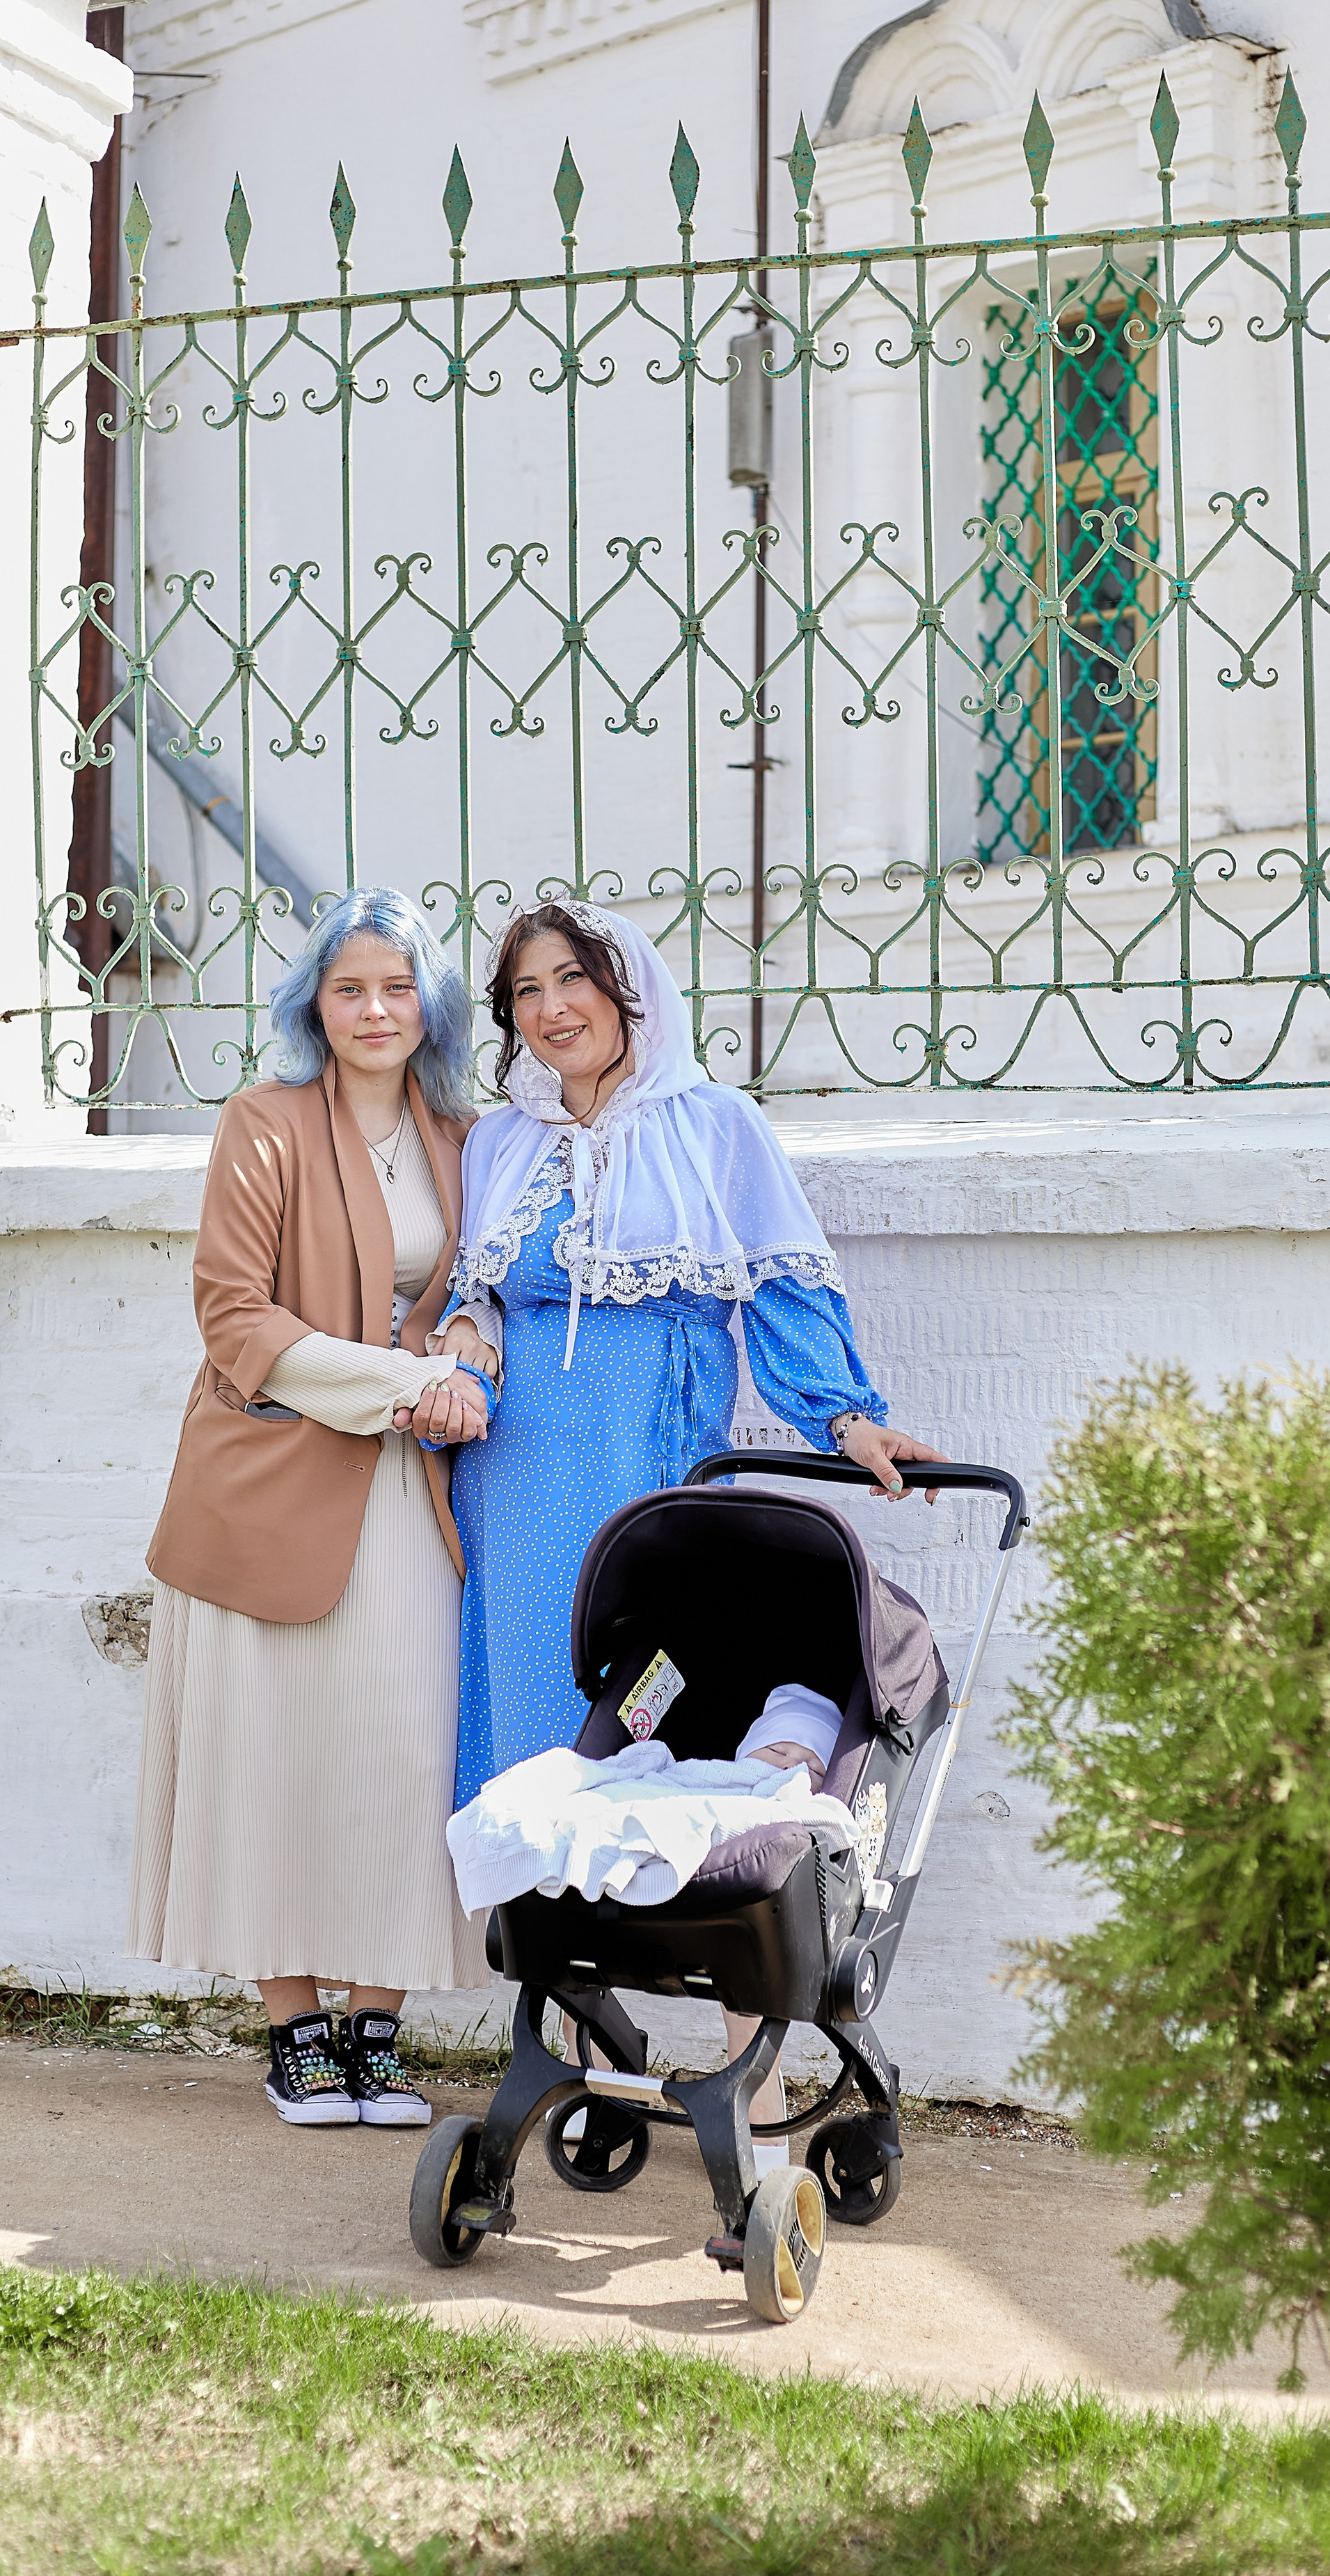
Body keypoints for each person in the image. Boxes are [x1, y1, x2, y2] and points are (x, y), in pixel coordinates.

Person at [413, 900, 942, 2158]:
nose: (551, 1010)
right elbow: (481, 1292)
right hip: (519, 1476)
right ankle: (591, 2065)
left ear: (627, 990)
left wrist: (850, 1420)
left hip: (647, 1475)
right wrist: (466, 1352)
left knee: (681, 1740)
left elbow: (779, 1285)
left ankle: (741, 2091)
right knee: (551, 1746)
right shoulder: (501, 1143)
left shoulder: (714, 1128)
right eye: (525, 994)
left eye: (573, 981)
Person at [127, 888, 494, 2130]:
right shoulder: (263, 1124)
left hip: (409, 1490)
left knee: (403, 1753)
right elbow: (235, 1318)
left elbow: (480, 1292)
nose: (376, 1009)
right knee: (272, 1754)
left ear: (428, 1002)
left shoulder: (465, 1134)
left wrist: (466, 1358)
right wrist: (410, 1380)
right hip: (272, 1479)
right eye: (351, 989)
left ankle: (377, 2032)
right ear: (316, 1005)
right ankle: (295, 2032)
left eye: (398, 987)